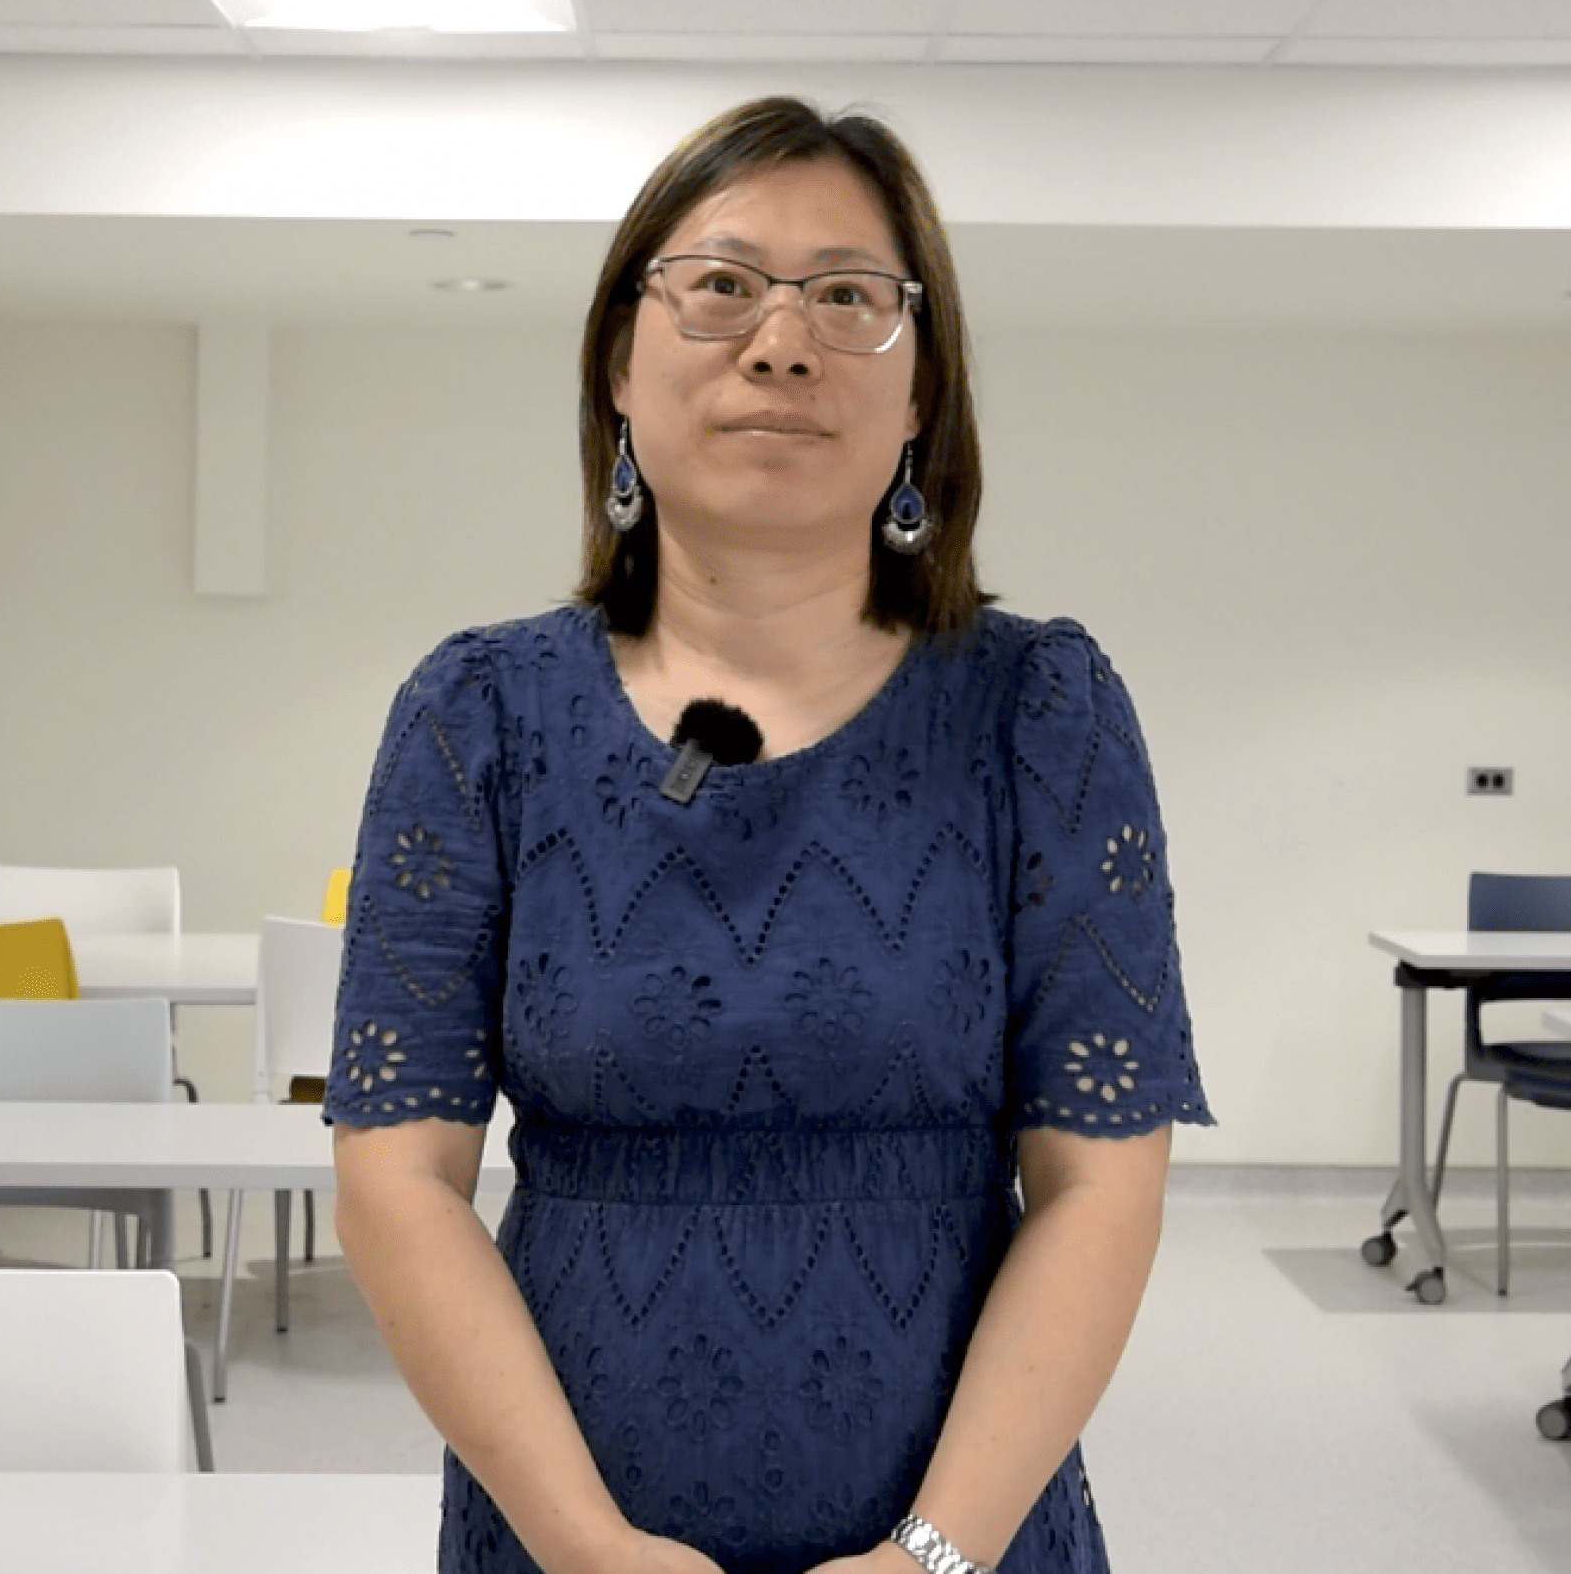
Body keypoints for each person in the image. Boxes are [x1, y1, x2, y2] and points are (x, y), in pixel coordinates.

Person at [326, 95, 1211, 1574]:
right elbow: (397, 1178)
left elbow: (1101, 1182)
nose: (782, 342)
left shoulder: (1039, 707)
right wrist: (583, 1543)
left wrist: (932, 1553)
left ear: (923, 390)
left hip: (964, 1540)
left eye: (852, 297)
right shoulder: (477, 711)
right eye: (721, 284)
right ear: (619, 357)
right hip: (566, 1531)